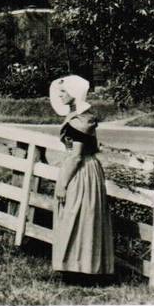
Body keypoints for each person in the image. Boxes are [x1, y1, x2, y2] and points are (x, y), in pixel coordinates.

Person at [50, 74, 114, 278]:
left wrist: (62, 184)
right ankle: (78, 267)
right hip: (86, 170)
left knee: (77, 216)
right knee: (81, 217)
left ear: (74, 94)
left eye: (63, 91)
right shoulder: (78, 117)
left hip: (81, 171)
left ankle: (81, 270)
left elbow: (76, 156)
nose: (60, 95)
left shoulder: (81, 121)